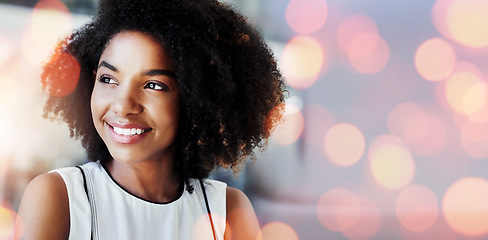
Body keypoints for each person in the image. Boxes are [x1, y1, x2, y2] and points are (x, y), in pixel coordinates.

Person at [14, 0, 285, 239]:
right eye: (108, 79)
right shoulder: (58, 197)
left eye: (153, 85)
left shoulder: (227, 211)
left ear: (196, 99)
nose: (123, 105)